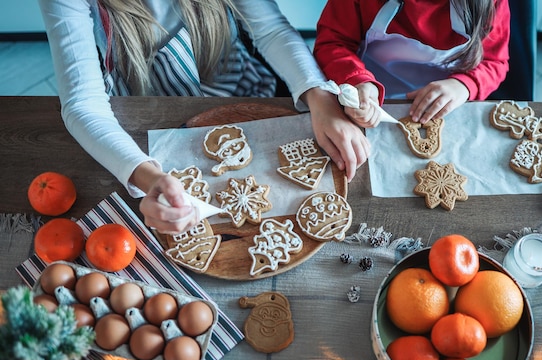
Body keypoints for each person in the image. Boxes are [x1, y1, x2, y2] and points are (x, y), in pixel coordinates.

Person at [38, 0, 370, 234]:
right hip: (142, 121)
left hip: (241, 85)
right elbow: (83, 104)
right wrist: (146, 176)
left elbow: (270, 31)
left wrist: (319, 95)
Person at [314, 0, 510, 128]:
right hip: (369, 100)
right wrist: (357, 79)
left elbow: (494, 62)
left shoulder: (490, 4)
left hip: (449, 111)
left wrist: (465, 85)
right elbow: (332, 43)